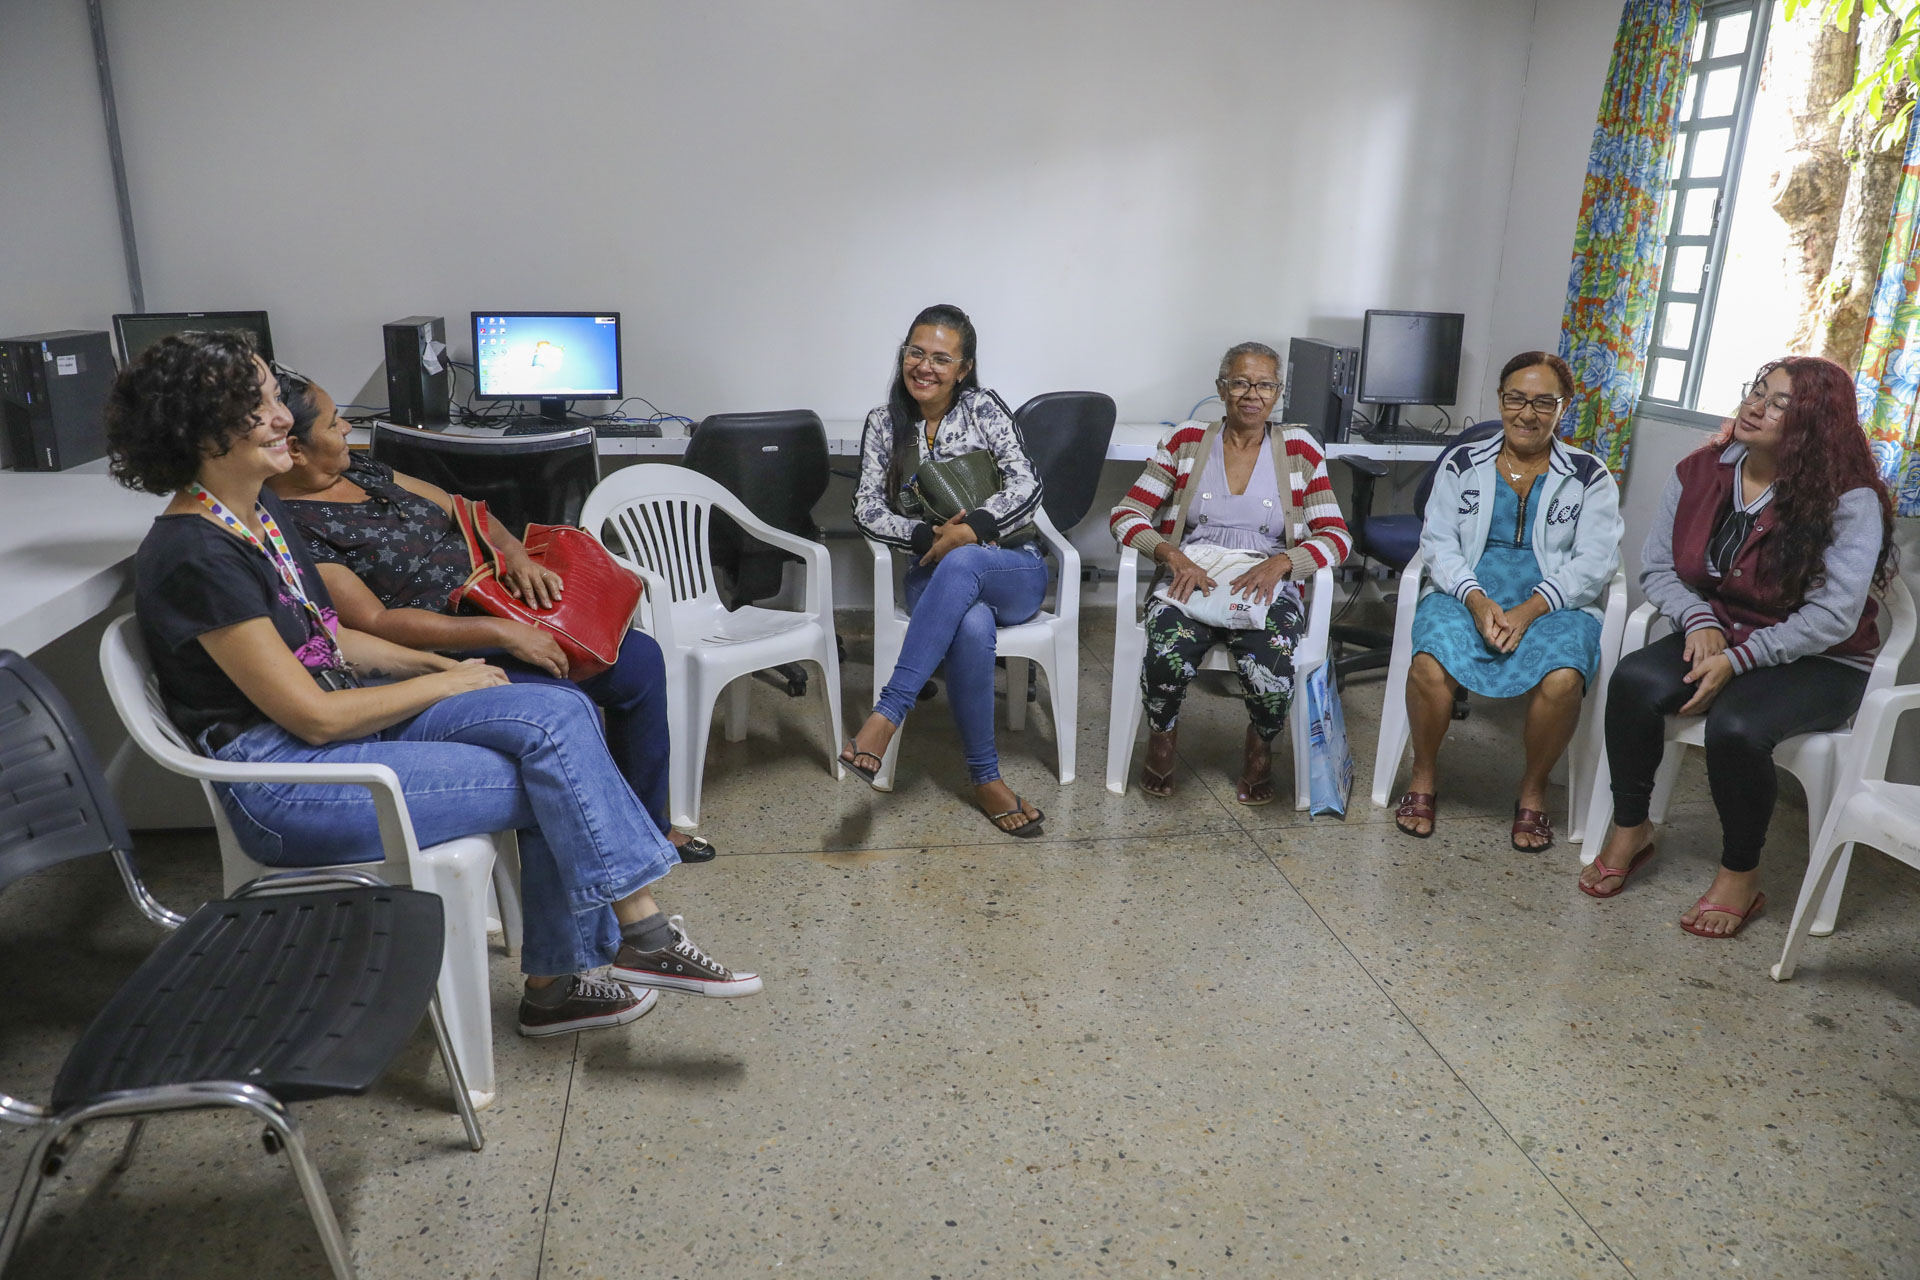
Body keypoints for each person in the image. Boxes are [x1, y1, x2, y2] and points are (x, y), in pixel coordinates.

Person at [108, 331, 760, 1041]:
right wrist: (445, 688)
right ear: (201, 431)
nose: (282, 418)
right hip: (289, 782)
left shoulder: (258, 514)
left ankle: (595, 964)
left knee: (560, 711)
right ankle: (614, 951)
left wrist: (442, 669)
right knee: (559, 771)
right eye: (258, 406)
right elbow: (314, 718)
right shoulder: (197, 555)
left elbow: (331, 640)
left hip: (347, 725)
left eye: (275, 400)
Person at [261, 371, 712, 864]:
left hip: (497, 603)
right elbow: (375, 623)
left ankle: (646, 824)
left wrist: (515, 557)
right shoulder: (294, 525)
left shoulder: (361, 470)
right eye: (333, 424)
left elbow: (466, 511)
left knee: (639, 658)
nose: (348, 427)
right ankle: (597, 849)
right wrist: (503, 632)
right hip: (443, 647)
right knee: (563, 700)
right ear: (295, 449)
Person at [1581, 356, 1895, 938]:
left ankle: (1740, 874)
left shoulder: (1849, 499)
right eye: (1757, 392)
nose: (1756, 407)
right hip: (1721, 629)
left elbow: (1834, 615)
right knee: (1634, 681)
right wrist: (1698, 620)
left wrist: (1738, 659)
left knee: (1737, 727)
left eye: (1780, 404)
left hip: (1821, 657)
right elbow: (1659, 568)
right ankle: (1632, 828)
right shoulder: (1699, 471)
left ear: (1814, 424)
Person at [1394, 351, 1623, 848]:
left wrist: (1532, 607)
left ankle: (1533, 790)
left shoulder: (1589, 475)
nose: (1527, 413)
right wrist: (1475, 599)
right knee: (1429, 663)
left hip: (1555, 602)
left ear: (1563, 409)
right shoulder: (1463, 463)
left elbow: (1597, 560)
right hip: (1465, 590)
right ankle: (1424, 775)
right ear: (1500, 400)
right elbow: (1438, 542)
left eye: (1544, 402)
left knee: (1564, 678)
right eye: (1516, 398)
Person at [1108, 341, 1352, 803]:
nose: (1252, 395)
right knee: (1166, 651)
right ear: (1221, 388)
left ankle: (1261, 745)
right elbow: (1126, 514)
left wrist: (1283, 562)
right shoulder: (1185, 441)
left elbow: (1337, 536)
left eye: (1265, 385)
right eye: (1240, 383)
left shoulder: (1300, 449)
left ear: (1278, 392)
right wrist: (1170, 555)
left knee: (1272, 663)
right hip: (1191, 573)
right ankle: (1162, 735)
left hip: (1266, 581)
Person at [840, 304, 1050, 836]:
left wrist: (969, 530)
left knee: (966, 558)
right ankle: (986, 778)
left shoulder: (983, 408)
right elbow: (865, 508)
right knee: (972, 623)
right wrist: (924, 536)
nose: (924, 367)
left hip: (1011, 567)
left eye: (941, 358)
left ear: (963, 368)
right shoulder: (884, 423)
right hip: (932, 574)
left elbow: (1027, 483)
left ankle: (886, 716)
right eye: (916, 353)